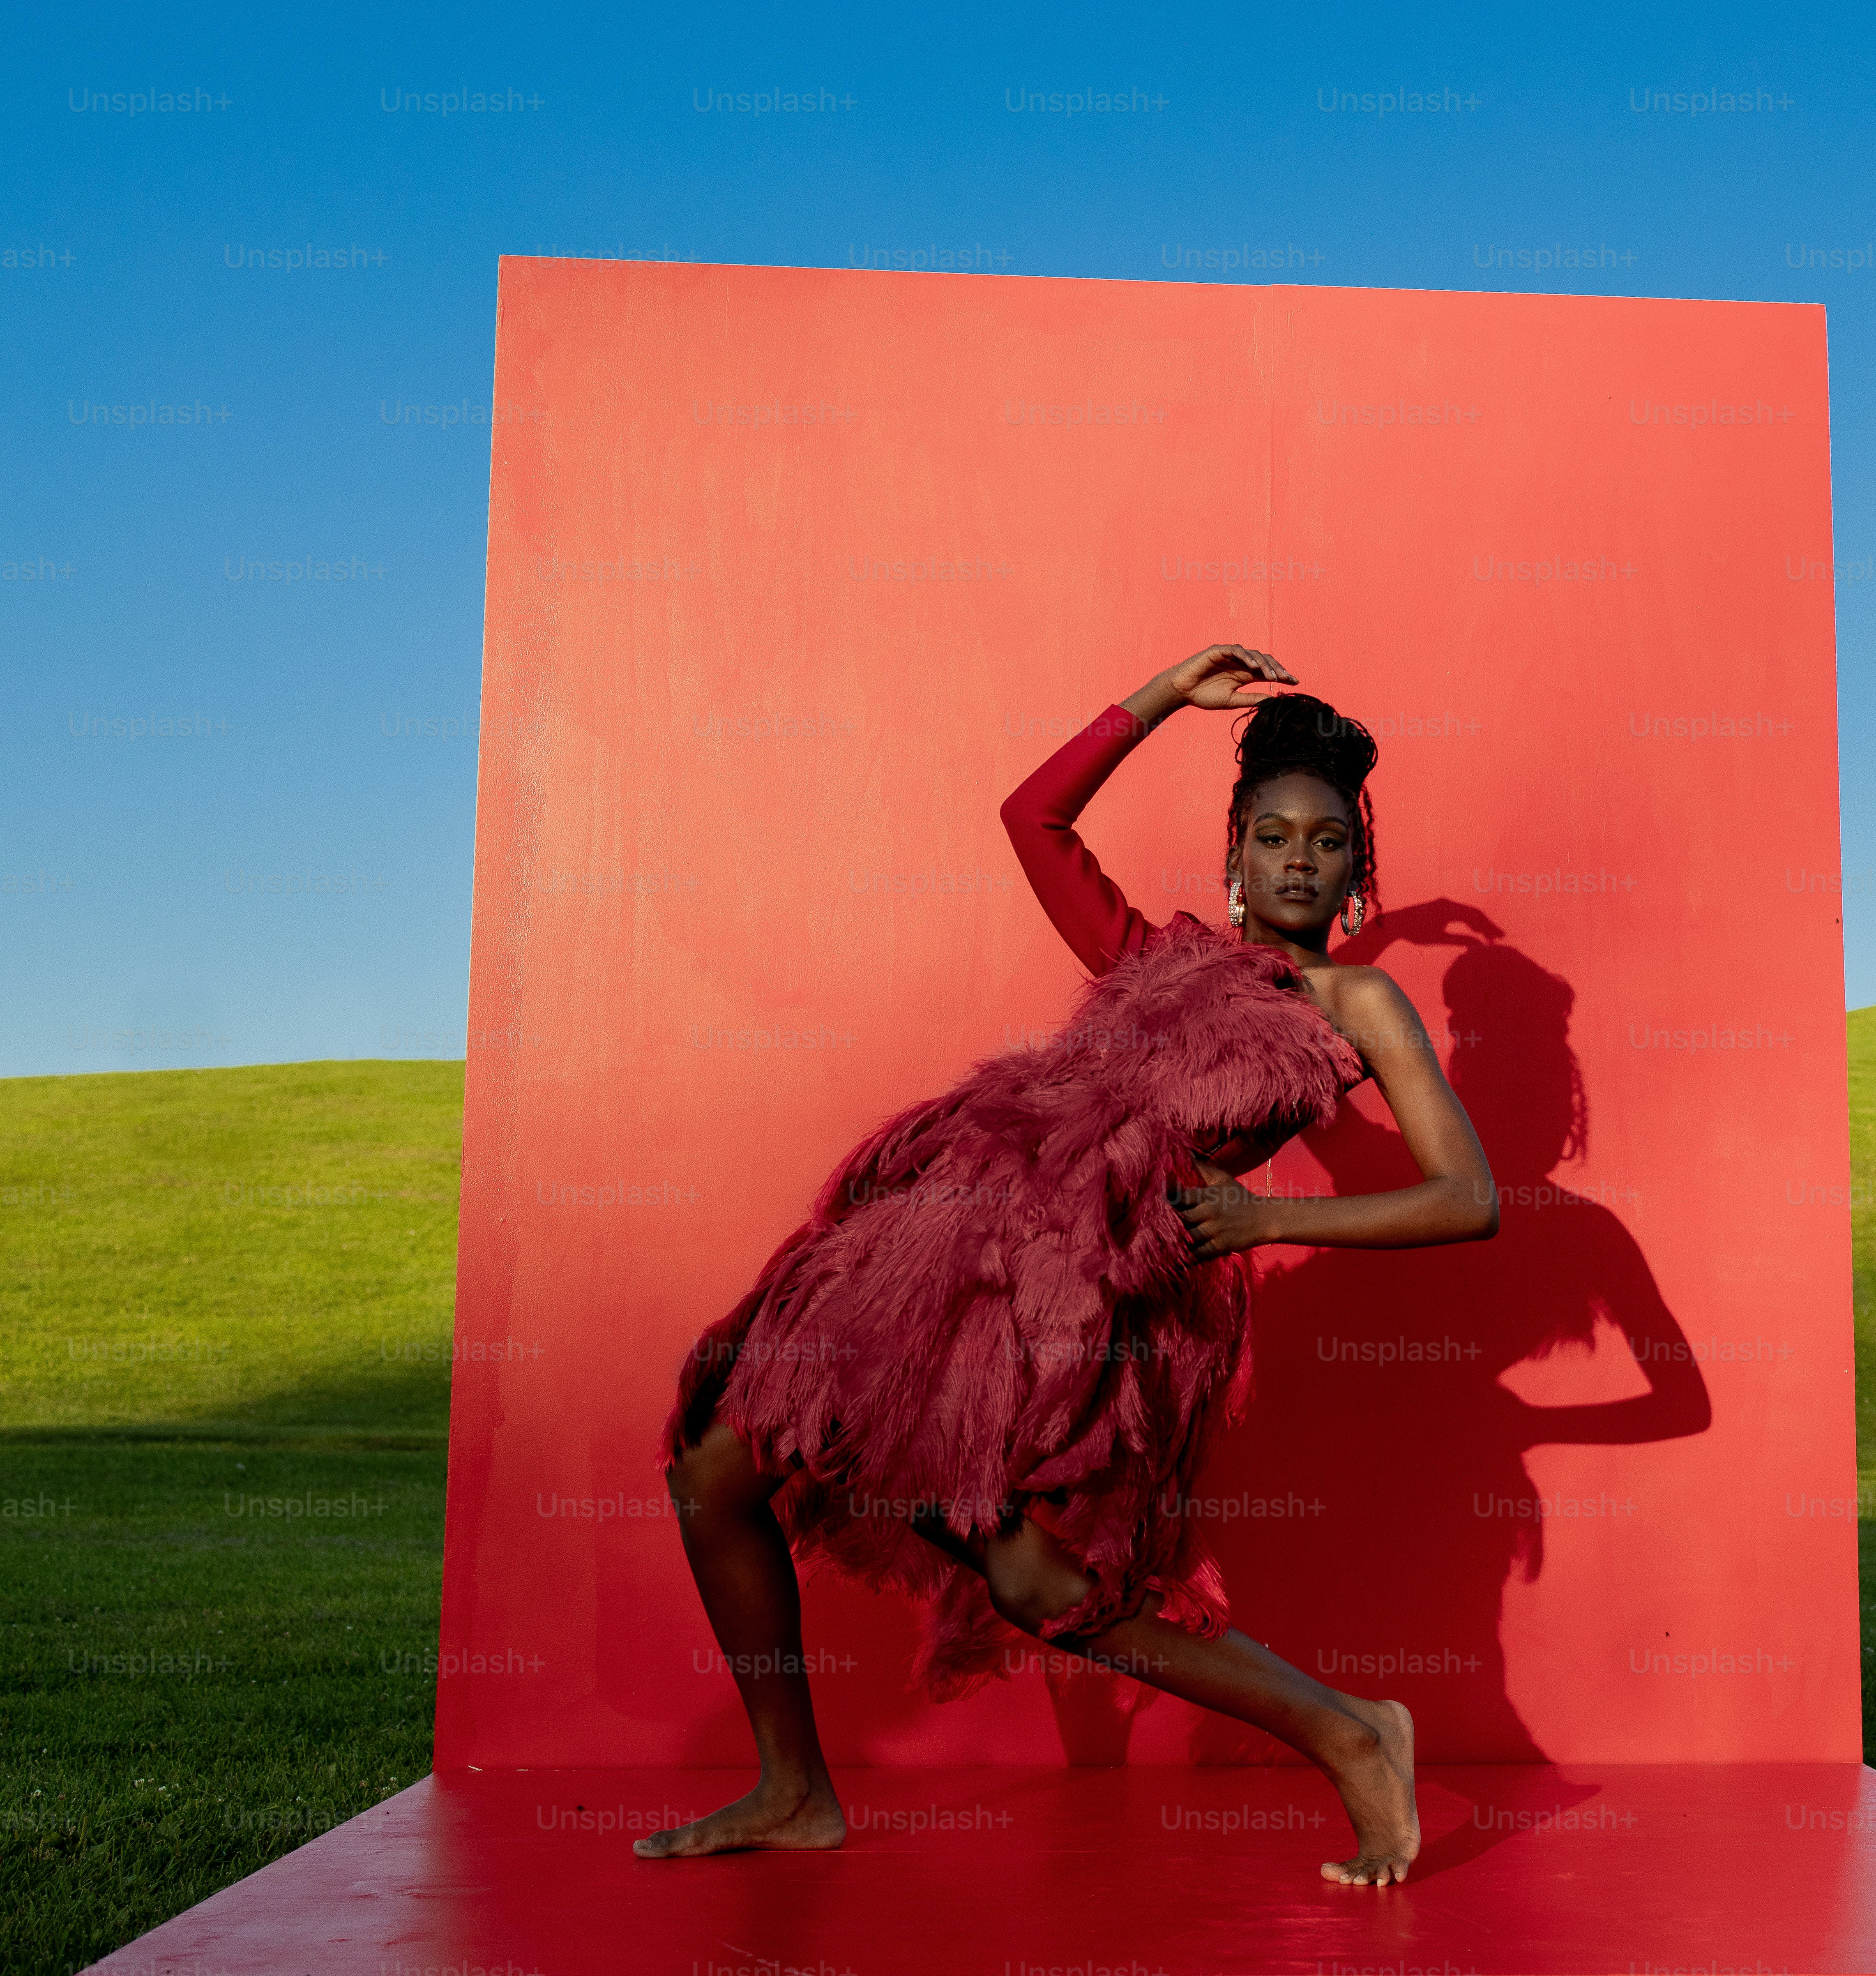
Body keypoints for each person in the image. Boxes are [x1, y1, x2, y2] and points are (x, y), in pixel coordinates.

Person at [635, 643, 1498, 1886]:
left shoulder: (1357, 1006)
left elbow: (1466, 1197)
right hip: (945, 1255)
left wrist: (1265, 1221)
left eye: (1325, 842)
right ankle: (792, 1786)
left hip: (1095, 1314)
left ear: (1358, 870)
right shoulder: (1151, 955)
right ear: (1233, 856)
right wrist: (1161, 694)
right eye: (1273, 836)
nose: (1298, 860)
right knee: (715, 1464)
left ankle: (1351, 1732)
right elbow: (1030, 817)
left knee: (1041, 1583)